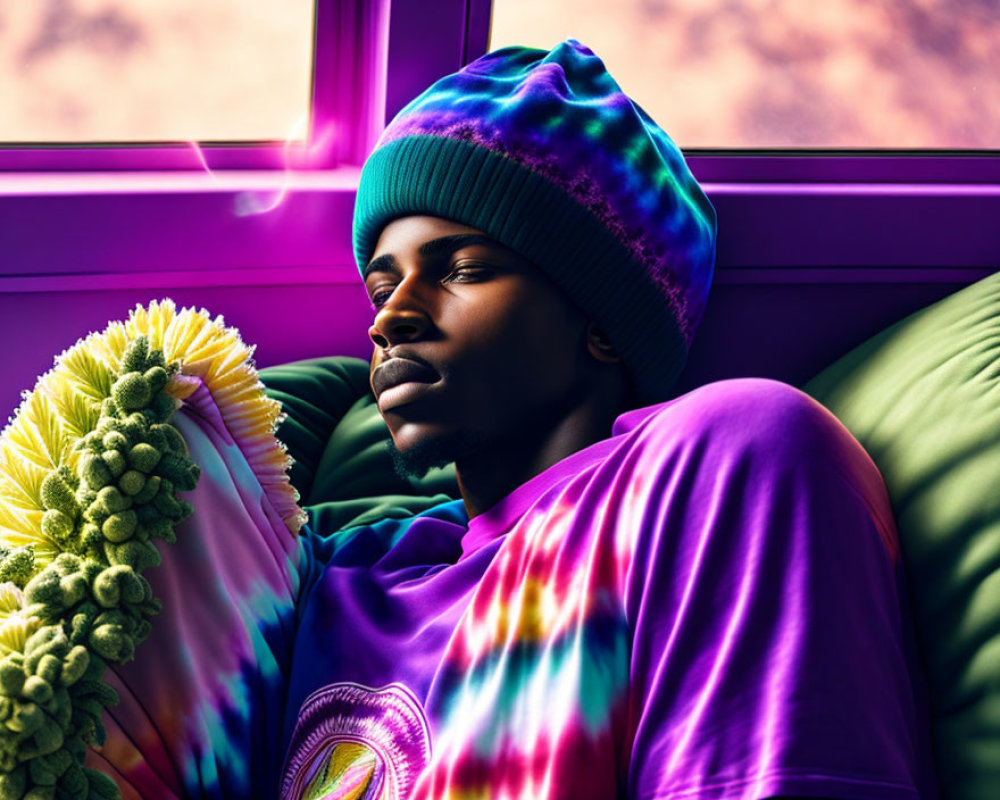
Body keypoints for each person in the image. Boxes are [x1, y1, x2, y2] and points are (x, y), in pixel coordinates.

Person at [79, 39, 938, 800]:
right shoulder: (324, 575)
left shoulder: (724, 461)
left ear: (602, 318)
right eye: (381, 286)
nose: (391, 319)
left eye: (463, 268)